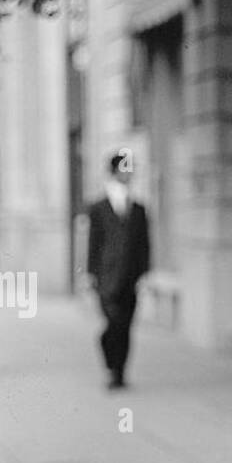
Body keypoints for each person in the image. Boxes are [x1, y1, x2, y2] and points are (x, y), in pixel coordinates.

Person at [87, 151, 150, 389]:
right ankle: (110, 361)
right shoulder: (98, 207)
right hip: (105, 278)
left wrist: (144, 274)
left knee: (125, 326)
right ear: (114, 171)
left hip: (130, 279)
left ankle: (119, 373)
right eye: (124, 167)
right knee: (114, 324)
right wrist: (90, 274)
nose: (129, 172)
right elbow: (93, 243)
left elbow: (145, 244)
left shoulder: (139, 209)